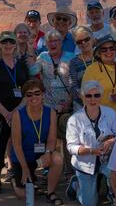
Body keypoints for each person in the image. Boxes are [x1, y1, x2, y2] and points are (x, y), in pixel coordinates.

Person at [0, 31, 30, 195]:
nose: (8, 45)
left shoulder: (21, 65)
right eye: (5, 42)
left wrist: (16, 111)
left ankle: (22, 177)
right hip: (0, 112)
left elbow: (28, 90)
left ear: (15, 44)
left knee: (21, 144)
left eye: (11, 42)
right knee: (0, 144)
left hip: (20, 111)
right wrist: (6, 113)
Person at [66, 80, 116, 206]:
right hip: (85, 164)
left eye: (96, 95)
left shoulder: (110, 113)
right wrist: (91, 151)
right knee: (90, 203)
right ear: (83, 97)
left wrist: (111, 141)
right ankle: (77, 185)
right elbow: (71, 147)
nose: (93, 99)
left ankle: (112, 194)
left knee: (115, 172)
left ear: (101, 96)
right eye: (88, 95)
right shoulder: (74, 119)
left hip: (107, 161)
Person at [10, 78, 64, 205]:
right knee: (24, 195)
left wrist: (48, 152)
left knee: (57, 158)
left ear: (43, 94)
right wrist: (24, 168)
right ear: (25, 97)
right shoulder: (18, 115)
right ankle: (16, 179)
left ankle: (50, 192)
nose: (33, 97)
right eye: (29, 94)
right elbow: (16, 144)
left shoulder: (50, 112)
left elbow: (52, 139)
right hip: (22, 157)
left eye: (37, 93)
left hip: (40, 154)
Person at [30, 30, 74, 175]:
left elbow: (74, 82)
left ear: (61, 43)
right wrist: (29, 56)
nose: (53, 44)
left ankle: (69, 172)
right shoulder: (42, 57)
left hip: (67, 106)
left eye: (56, 41)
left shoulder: (70, 57)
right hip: (48, 106)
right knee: (50, 139)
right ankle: (49, 169)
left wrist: (68, 102)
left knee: (68, 138)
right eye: (50, 41)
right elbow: (33, 72)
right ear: (46, 44)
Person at [82, 35, 116, 125]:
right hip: (102, 119)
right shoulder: (92, 69)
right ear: (99, 53)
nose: (108, 52)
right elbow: (85, 96)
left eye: (111, 48)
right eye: (104, 49)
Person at [69, 26, 95, 110]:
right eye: (79, 42)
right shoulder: (74, 62)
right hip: (81, 105)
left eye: (86, 39)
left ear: (92, 38)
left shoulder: (101, 57)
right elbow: (73, 86)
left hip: (103, 101)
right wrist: (83, 95)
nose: (83, 43)